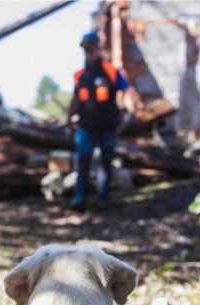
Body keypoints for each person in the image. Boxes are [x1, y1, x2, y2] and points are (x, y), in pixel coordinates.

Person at [68, 31, 135, 211]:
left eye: (92, 49)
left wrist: (130, 110)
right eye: (86, 50)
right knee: (83, 161)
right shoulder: (79, 76)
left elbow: (126, 90)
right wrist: (69, 118)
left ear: (99, 49)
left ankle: (103, 197)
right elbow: (75, 100)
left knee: (106, 163)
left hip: (107, 125)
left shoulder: (111, 71)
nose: (89, 54)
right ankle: (79, 197)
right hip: (86, 127)